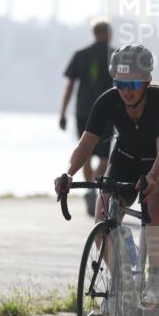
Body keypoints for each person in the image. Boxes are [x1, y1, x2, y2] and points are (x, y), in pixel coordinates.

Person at [54, 44, 159, 304]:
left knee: (155, 199)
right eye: (120, 83)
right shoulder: (108, 100)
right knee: (103, 215)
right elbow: (86, 144)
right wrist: (68, 173)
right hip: (126, 159)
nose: (126, 91)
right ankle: (122, 281)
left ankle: (156, 276)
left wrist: (151, 177)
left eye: (134, 84)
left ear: (147, 80)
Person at [59, 20, 115, 216]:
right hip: (108, 112)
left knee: (86, 152)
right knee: (104, 156)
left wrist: (63, 113)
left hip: (83, 111)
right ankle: (97, 188)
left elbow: (70, 87)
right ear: (107, 33)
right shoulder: (115, 56)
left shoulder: (80, 54)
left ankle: (91, 191)